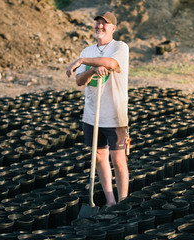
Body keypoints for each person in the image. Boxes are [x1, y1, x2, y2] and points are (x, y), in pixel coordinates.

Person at [66, 12, 129, 207]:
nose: (100, 26)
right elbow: (78, 80)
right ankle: (110, 200)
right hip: (92, 114)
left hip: (115, 114)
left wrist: (84, 62)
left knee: (118, 159)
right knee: (100, 156)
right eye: (97, 23)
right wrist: (92, 69)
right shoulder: (88, 50)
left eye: (105, 24)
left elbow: (111, 64)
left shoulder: (120, 47)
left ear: (113, 28)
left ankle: (123, 201)